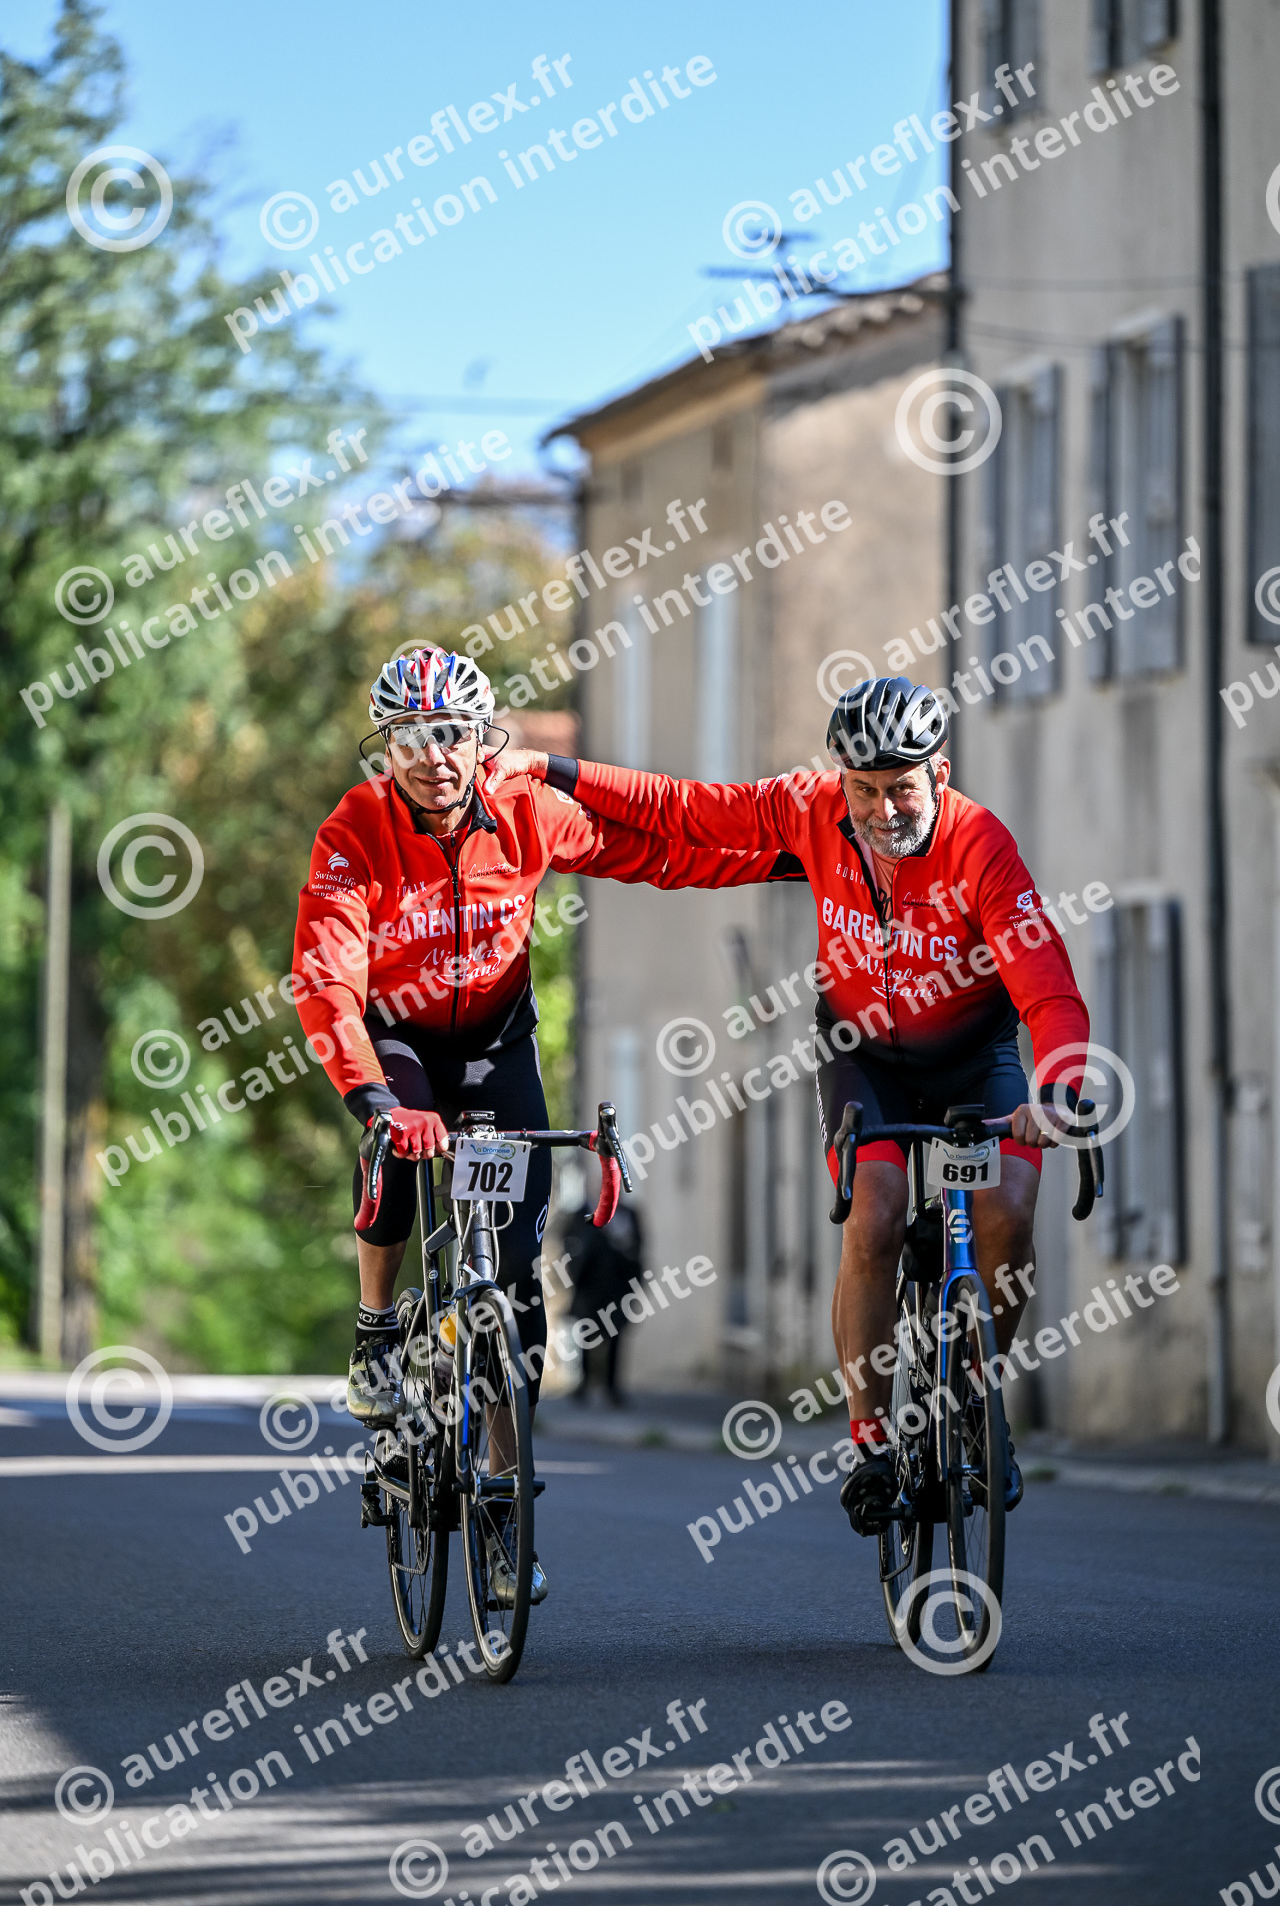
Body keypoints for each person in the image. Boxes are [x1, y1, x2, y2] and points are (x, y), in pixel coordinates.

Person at [486, 676, 1091, 1537]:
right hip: (864, 1057)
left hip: (976, 1059)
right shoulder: (811, 809)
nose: (881, 810)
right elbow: (685, 810)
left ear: (940, 773)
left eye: (901, 788)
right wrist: (550, 768)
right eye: (864, 789)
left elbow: (1049, 987)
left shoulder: (980, 845)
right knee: (874, 1216)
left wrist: (1059, 1088)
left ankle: (971, 1397)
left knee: (1009, 1209)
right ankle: (871, 1441)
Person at [291, 646, 791, 1602]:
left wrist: (786, 858)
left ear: (483, 739)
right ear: (384, 750)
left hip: (496, 1044)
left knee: (514, 1270)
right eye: (409, 739)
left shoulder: (526, 810)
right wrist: (373, 1098)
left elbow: (653, 852)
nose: (433, 757)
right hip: (397, 1040)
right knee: (394, 1153)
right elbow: (326, 977)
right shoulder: (354, 830)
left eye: (452, 735)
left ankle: (504, 1492)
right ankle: (376, 1327)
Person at [565, 1197, 644, 1405]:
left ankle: (612, 1387)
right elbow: (570, 1243)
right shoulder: (583, 1212)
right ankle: (584, 1384)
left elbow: (638, 1250)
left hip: (617, 1289)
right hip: (589, 1287)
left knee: (615, 1336)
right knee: (586, 1334)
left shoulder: (628, 1214)